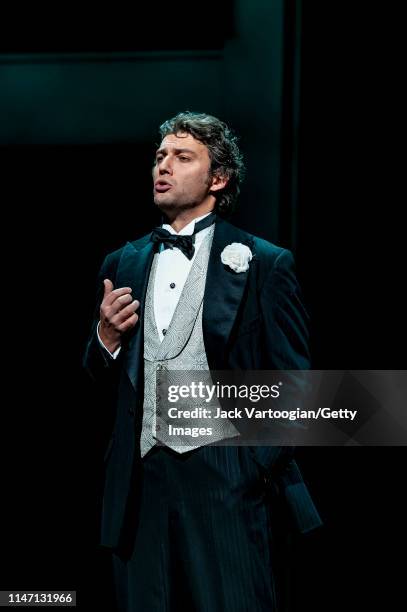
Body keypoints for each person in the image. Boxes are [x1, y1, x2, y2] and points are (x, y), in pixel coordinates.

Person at [83, 111, 322, 612]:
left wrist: (250, 468)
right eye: (159, 156)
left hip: (226, 481)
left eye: (181, 157)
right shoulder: (121, 262)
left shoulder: (264, 262)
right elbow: (99, 385)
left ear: (218, 178)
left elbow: (295, 383)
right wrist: (103, 340)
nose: (162, 166)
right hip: (139, 487)